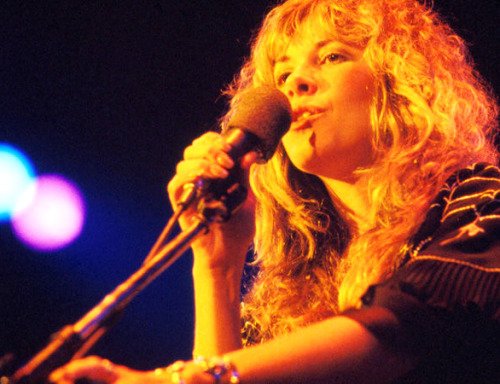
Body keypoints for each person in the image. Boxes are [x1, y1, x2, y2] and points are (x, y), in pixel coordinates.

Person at [49, 0, 499, 383]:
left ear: (402, 82)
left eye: (333, 57)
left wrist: (169, 379)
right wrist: (218, 266)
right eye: (283, 75)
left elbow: (401, 332)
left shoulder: (479, 203)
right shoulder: (301, 285)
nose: (295, 84)